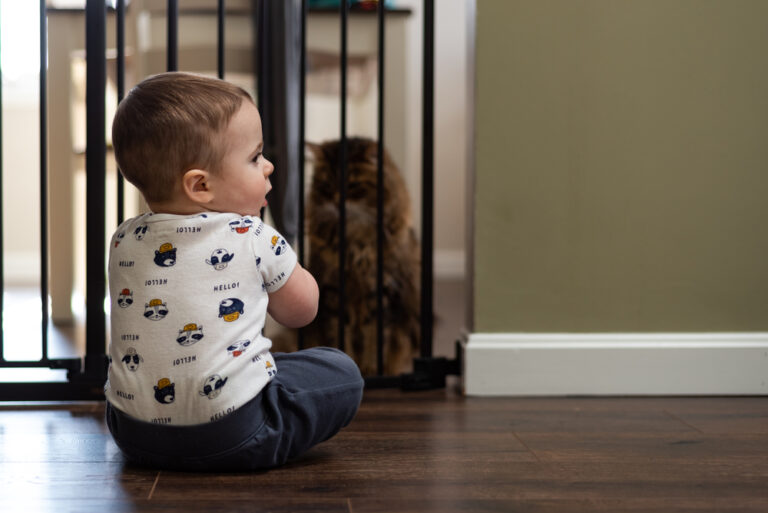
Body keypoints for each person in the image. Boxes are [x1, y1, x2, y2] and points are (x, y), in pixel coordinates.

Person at [104, 72, 364, 471]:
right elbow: (302, 312)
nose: (269, 166)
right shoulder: (254, 235)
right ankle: (246, 442)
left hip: (134, 434)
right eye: (255, 157)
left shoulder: (124, 239)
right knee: (340, 371)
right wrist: (283, 262)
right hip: (233, 431)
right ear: (201, 186)